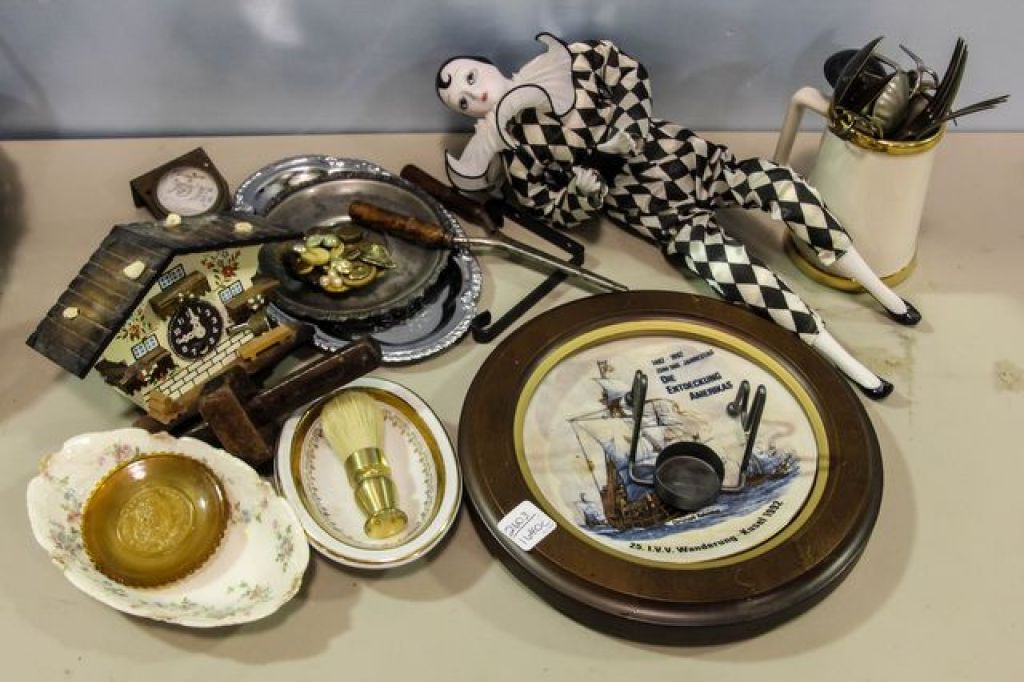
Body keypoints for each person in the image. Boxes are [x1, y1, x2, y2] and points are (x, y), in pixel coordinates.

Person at [436, 34, 922, 399]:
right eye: (461, 101)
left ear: (488, 67)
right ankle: (843, 360)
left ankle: (881, 291)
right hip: (663, 218)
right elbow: (552, 209)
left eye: (471, 79)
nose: (474, 96)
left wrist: (629, 127)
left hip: (700, 164)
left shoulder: (572, 61)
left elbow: (628, 73)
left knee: (784, 186)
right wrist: (585, 192)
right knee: (740, 277)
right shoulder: (519, 156)